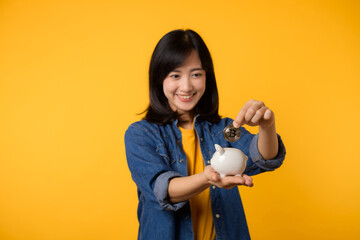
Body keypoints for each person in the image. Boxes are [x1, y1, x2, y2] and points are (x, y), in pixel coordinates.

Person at [124, 29, 286, 240]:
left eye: (196, 74)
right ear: (159, 79)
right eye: (175, 75)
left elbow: (263, 156)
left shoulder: (224, 130)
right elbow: (163, 190)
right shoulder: (141, 134)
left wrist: (267, 126)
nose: (187, 86)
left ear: (207, 76)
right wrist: (208, 178)